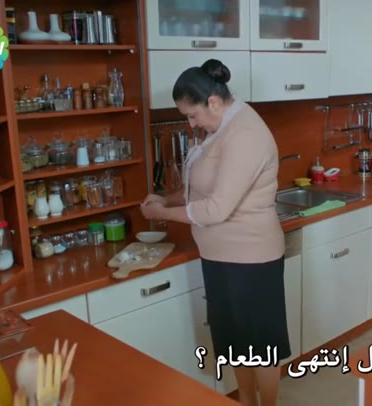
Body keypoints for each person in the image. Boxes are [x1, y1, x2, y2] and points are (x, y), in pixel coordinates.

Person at [140, 59, 290, 406]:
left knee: (261, 346)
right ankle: (247, 401)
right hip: (220, 258)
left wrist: (162, 214)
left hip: (252, 259)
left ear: (213, 101)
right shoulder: (221, 128)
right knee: (235, 341)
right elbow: (201, 187)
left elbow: (215, 209)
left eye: (192, 115)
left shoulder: (245, 135)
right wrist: (167, 199)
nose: (191, 124)